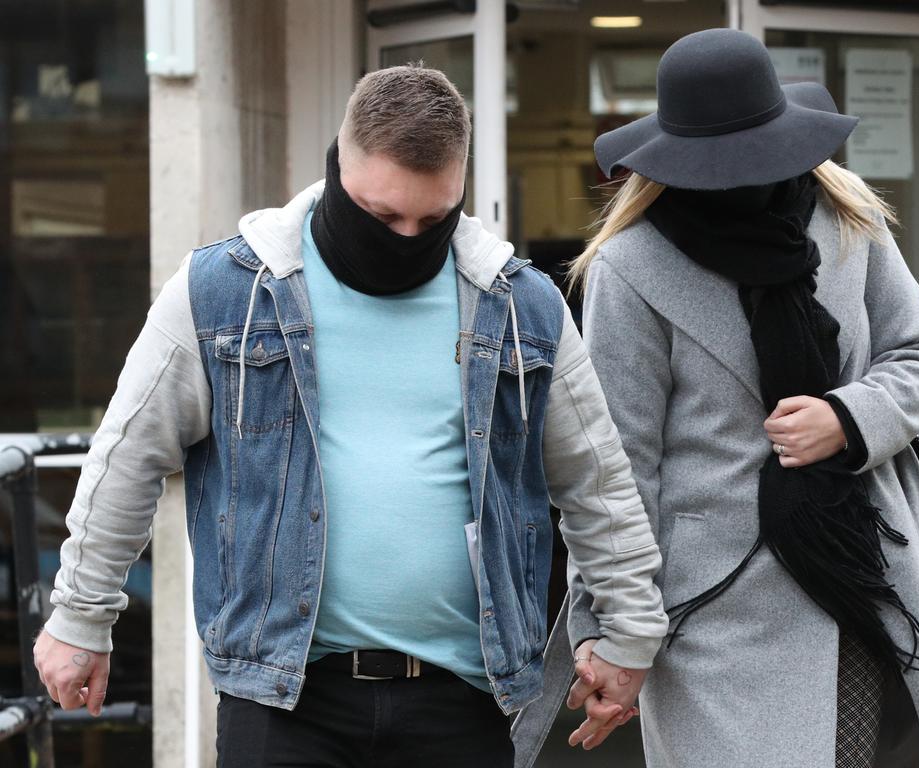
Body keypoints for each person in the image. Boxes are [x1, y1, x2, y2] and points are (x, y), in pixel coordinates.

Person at [32, 64, 669, 767]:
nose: (406, 237)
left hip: (462, 699)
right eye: (382, 216)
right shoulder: (226, 294)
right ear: (338, 169)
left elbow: (597, 481)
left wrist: (629, 632)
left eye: (433, 219)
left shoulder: (520, 307)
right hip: (283, 697)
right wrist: (80, 618)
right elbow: (128, 453)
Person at [513, 29, 919, 768]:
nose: (736, 179)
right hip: (716, 617)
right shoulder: (630, 268)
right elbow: (614, 472)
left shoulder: (849, 219)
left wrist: (847, 418)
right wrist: (613, 630)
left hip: (863, 586)